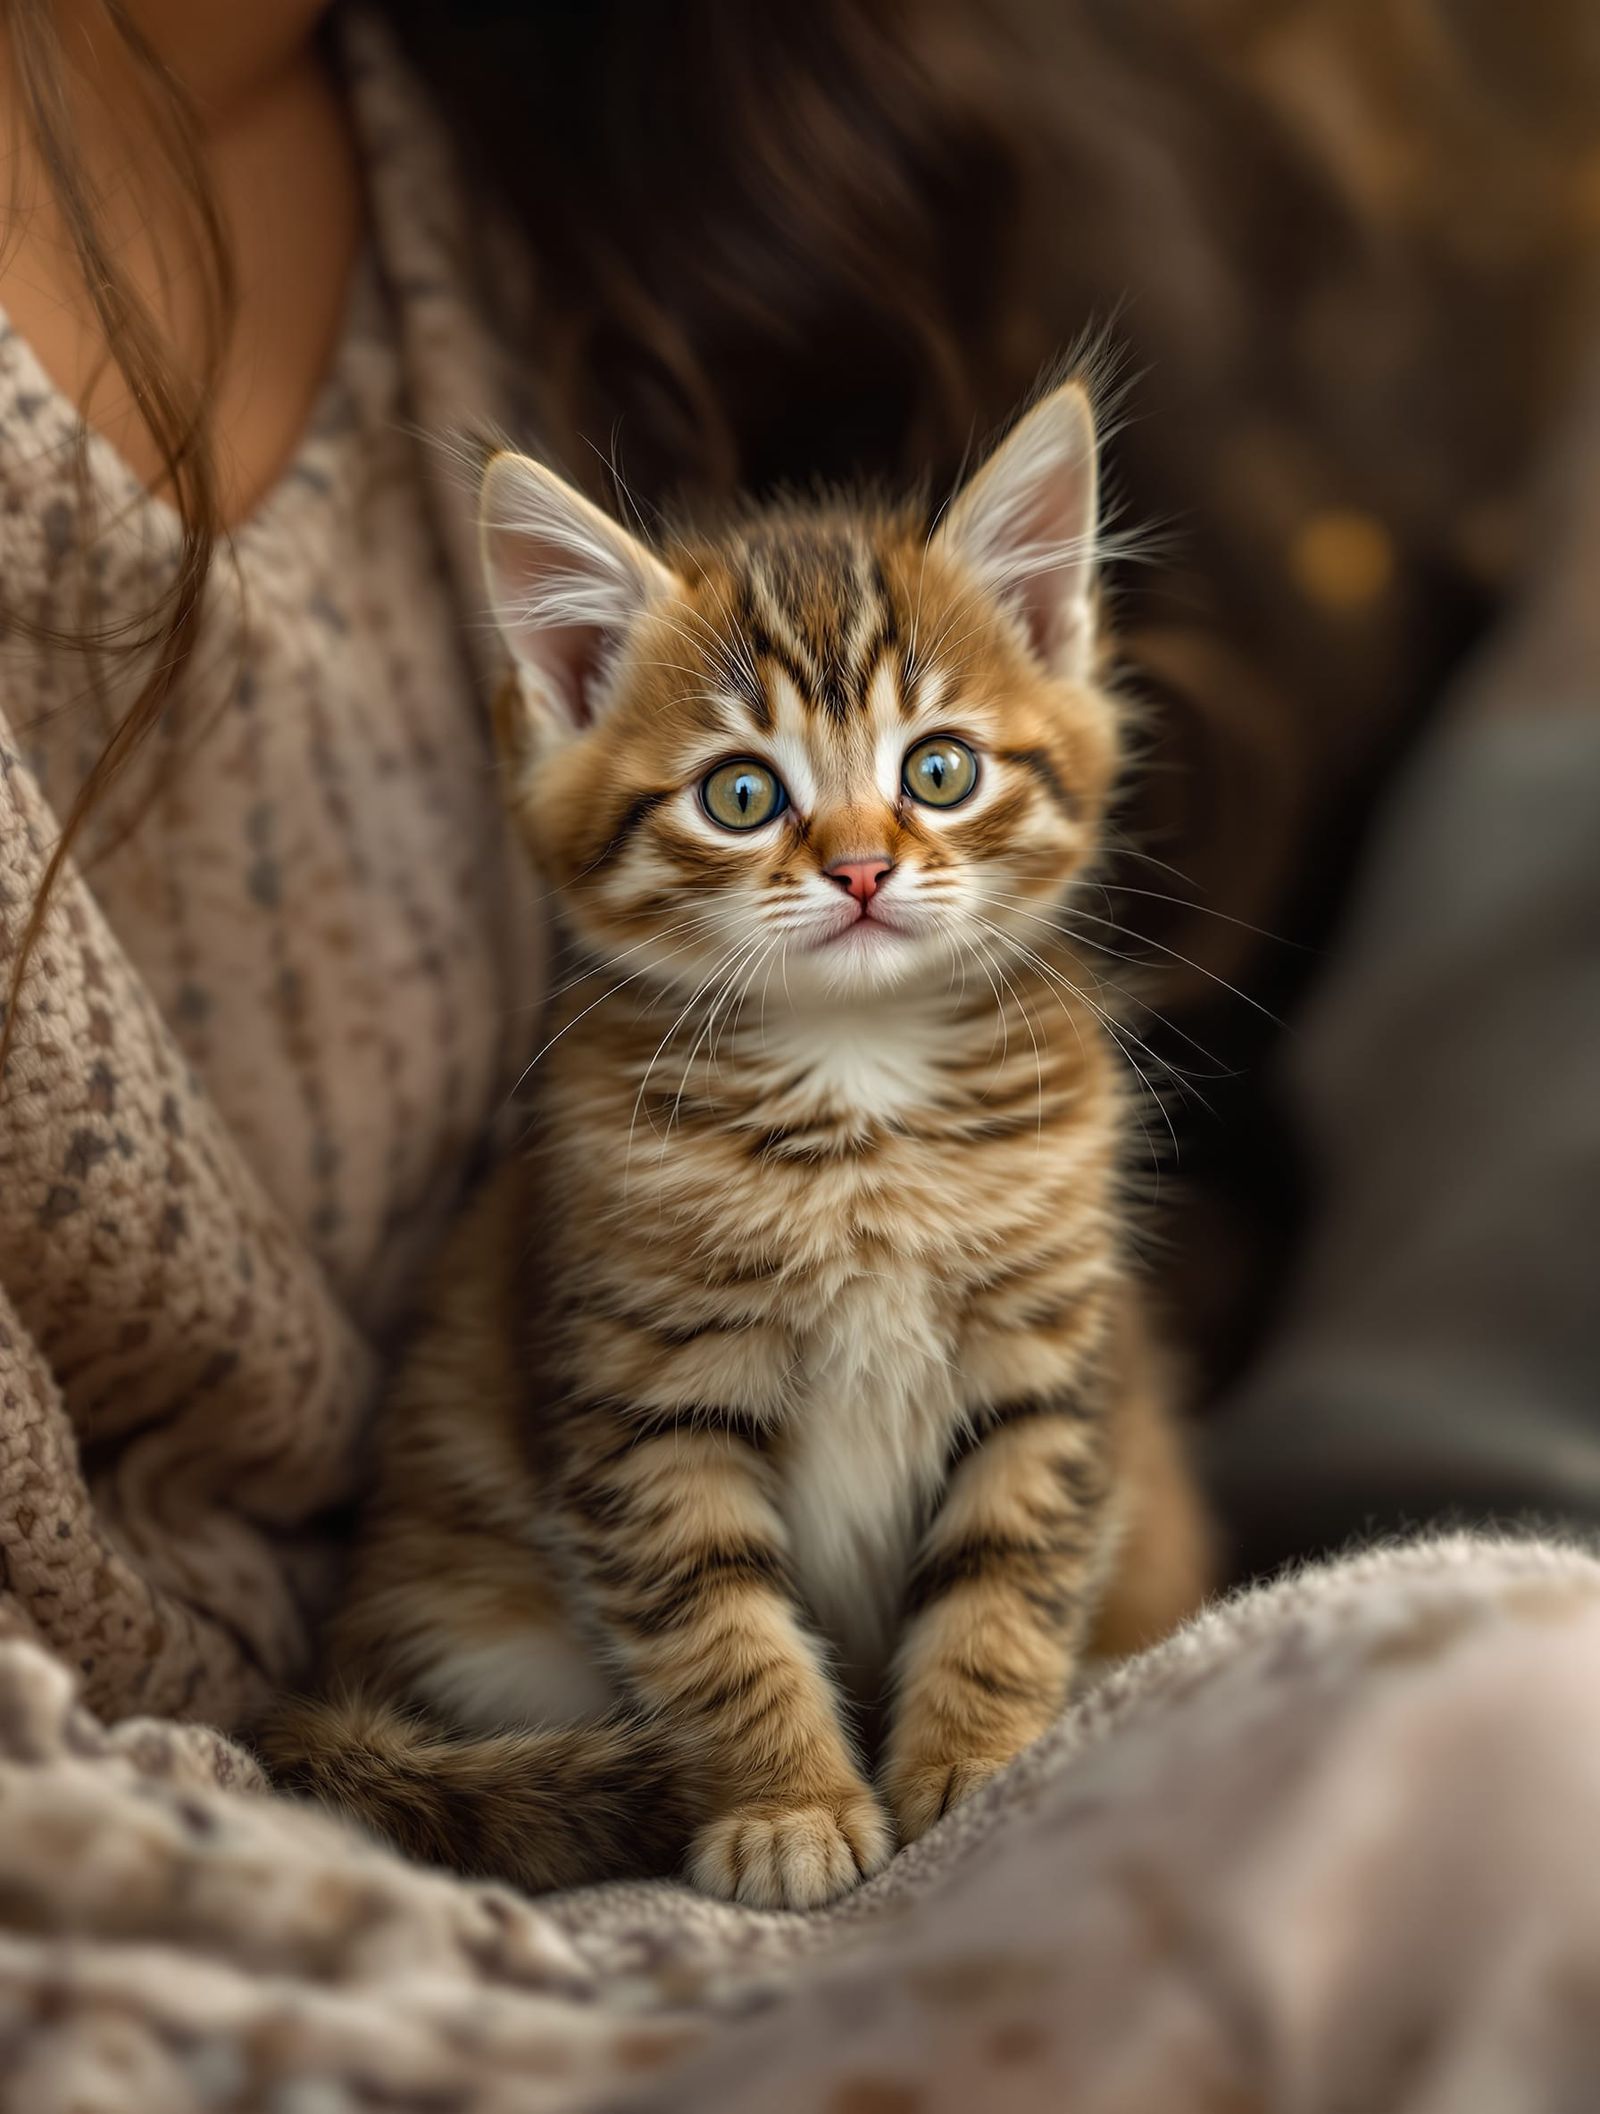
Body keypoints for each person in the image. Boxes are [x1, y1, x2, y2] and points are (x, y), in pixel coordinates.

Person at [1, 2, 1598, 2104]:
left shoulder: (621, 148)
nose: (858, 864)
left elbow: (1041, 1459)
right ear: (560, 702)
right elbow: (644, 1485)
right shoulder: (626, 1115)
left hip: (970, 1759)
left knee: (1529, 1723)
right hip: (394, 1786)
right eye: (761, 806)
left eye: (927, 777)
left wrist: (972, 1759)